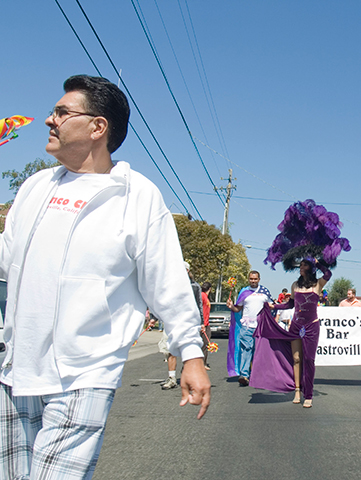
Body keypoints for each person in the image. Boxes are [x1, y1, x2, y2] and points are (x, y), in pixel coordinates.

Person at [0, 75, 209, 479]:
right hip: (15, 370)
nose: (48, 120)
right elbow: (8, 264)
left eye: (62, 112)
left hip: (84, 371)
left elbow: (166, 282)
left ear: (98, 127)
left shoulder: (137, 196)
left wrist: (192, 356)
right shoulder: (34, 187)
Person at [250, 259, 332, 408]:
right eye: (300, 265)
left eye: (304, 265)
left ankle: (309, 395)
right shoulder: (295, 285)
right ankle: (297, 390)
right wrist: (273, 305)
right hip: (295, 326)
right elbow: (290, 304)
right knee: (296, 359)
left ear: (311, 268)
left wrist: (317, 261)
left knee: (309, 359)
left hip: (311, 326)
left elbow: (328, 273)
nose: (301, 267)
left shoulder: (318, 284)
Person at [161, 262, 203, 389]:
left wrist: (201, 322)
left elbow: (198, 305)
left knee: (188, 350)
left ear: (187, 270)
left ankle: (187, 375)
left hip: (188, 322)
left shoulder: (195, 287)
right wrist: (153, 318)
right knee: (170, 350)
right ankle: (171, 378)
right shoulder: (170, 285)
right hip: (171, 321)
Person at [226, 271, 272, 386]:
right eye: (251, 279)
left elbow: (271, 306)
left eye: (255, 279)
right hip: (246, 327)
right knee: (247, 349)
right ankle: (244, 375)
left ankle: (258, 374)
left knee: (259, 351)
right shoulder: (244, 292)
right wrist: (231, 306)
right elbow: (238, 309)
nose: (253, 281)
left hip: (261, 327)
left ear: (259, 279)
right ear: (248, 279)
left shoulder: (264, 292)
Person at [201, 281, 212, 370]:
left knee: (206, 344)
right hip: (203, 324)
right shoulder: (202, 296)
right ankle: (201, 363)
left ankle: (204, 362)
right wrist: (203, 323)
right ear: (210, 289)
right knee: (203, 344)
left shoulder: (206, 297)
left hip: (206, 323)